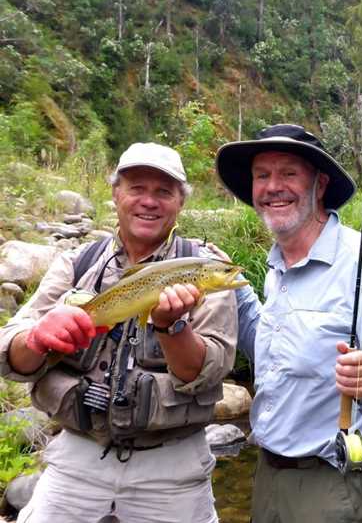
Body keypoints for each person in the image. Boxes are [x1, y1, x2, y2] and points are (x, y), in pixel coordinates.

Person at [0, 143, 238, 523]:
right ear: (115, 194)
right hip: (76, 459)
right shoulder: (77, 263)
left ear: (180, 202)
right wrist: (36, 338)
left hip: (172, 468)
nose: (149, 201)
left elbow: (208, 371)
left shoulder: (207, 264)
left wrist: (172, 326)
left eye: (164, 191)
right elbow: (9, 354)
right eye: (136, 188)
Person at [215, 124, 362, 522]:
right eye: (262, 175)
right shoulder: (276, 265)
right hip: (269, 478)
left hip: (338, 489)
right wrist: (231, 286)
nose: (272, 186)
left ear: (320, 185)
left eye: (288, 174)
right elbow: (271, 351)